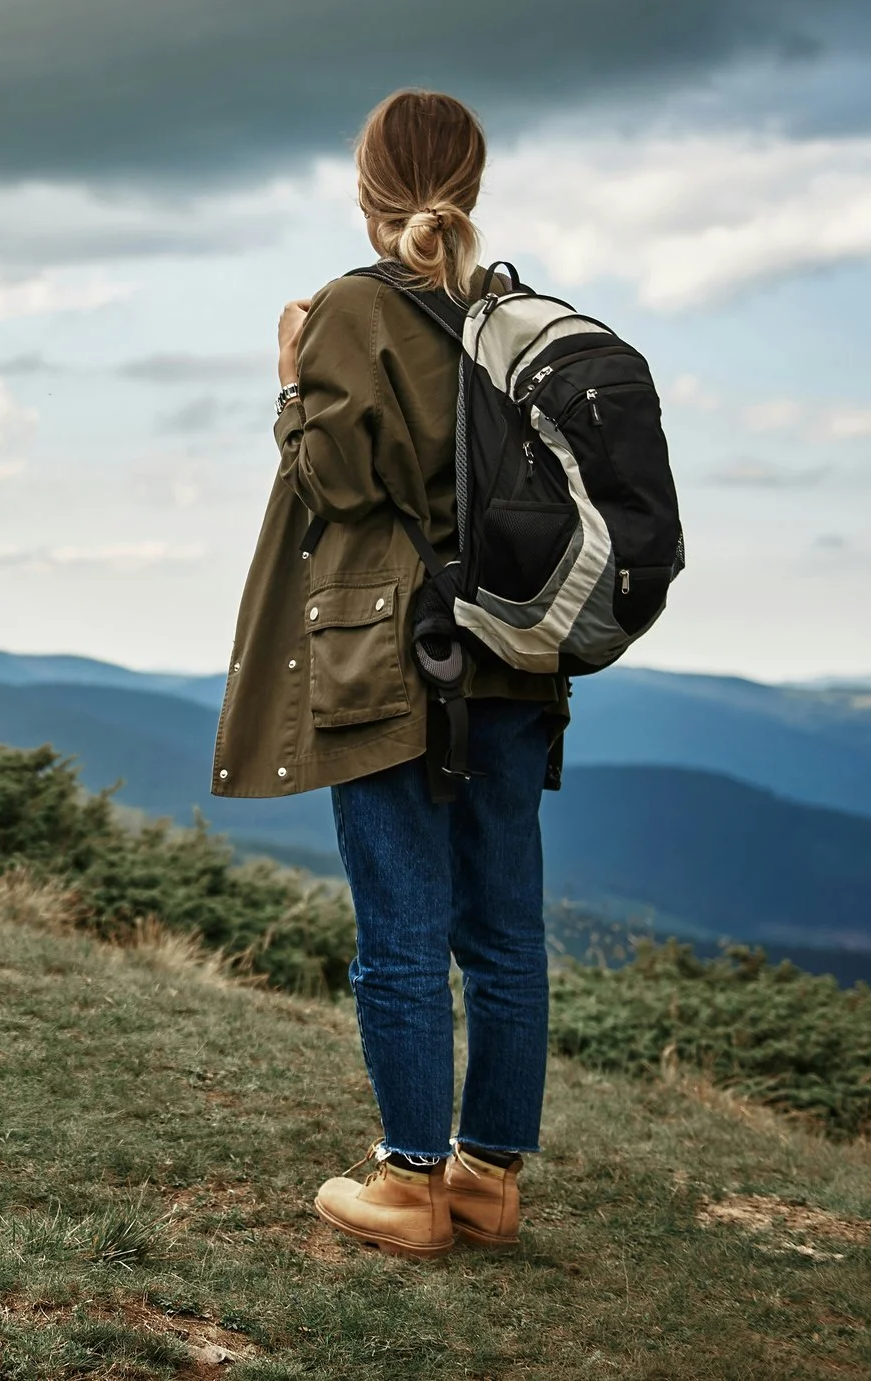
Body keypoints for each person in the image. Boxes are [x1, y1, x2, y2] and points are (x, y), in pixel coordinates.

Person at [209, 88, 566, 1260]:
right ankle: (486, 1181)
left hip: (385, 652)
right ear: (471, 181)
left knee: (401, 929)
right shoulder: (515, 313)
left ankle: (408, 1184)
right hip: (514, 651)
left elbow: (335, 485)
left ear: (366, 189)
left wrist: (285, 380)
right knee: (505, 929)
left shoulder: (351, 311)